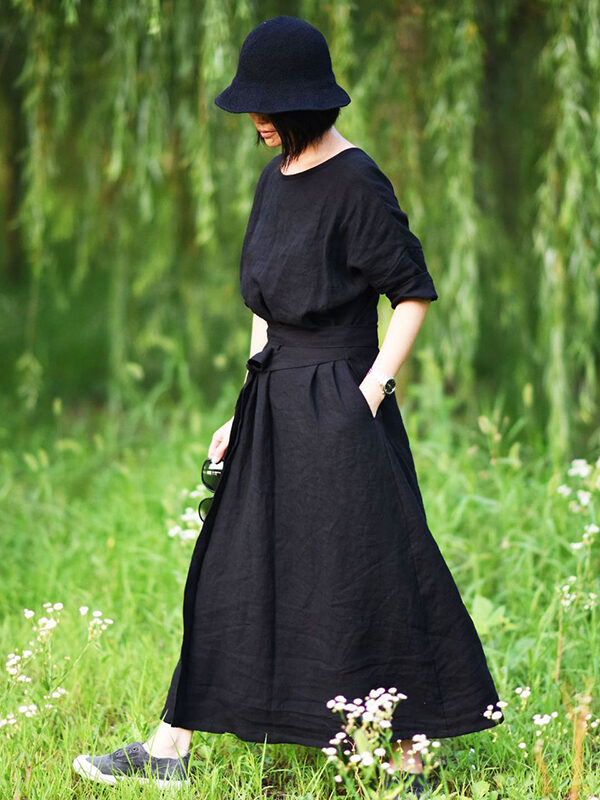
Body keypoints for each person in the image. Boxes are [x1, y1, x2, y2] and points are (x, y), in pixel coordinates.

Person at [72, 15, 504, 796]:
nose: (256, 122)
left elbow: (411, 293)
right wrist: (242, 405)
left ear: (309, 104)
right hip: (273, 396)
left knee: (360, 571)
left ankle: (407, 758)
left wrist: (371, 390)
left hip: (341, 400)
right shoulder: (274, 180)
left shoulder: (358, 180)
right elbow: (265, 307)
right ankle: (168, 746)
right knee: (231, 569)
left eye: (268, 108)